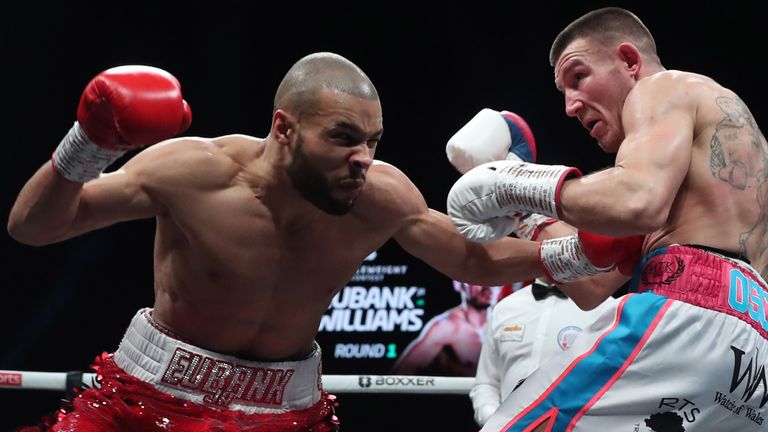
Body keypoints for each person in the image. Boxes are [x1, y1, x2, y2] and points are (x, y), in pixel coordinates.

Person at [7, 53, 566, 431]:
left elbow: (472, 257)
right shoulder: (194, 172)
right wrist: (89, 143)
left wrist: (574, 252)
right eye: (343, 137)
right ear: (284, 128)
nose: (362, 159)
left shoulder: (382, 195)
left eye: (372, 141)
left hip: (285, 413)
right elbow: (35, 227)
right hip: (145, 400)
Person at [447, 7, 768, 431]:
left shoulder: (662, 88)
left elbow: (638, 200)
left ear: (630, 62)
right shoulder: (691, 168)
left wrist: (514, 180)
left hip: (685, 320)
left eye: (578, 77)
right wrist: (524, 213)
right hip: (754, 357)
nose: (569, 105)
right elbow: (593, 285)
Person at [469, 280, 615, 427]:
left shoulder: (606, 309)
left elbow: (614, 384)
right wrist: (495, 422)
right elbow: (486, 383)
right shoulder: (505, 308)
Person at [390, 281, 502, 376]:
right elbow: (402, 372)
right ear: (459, 285)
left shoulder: (505, 322)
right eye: (480, 281)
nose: (489, 287)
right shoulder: (447, 327)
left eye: (494, 280)